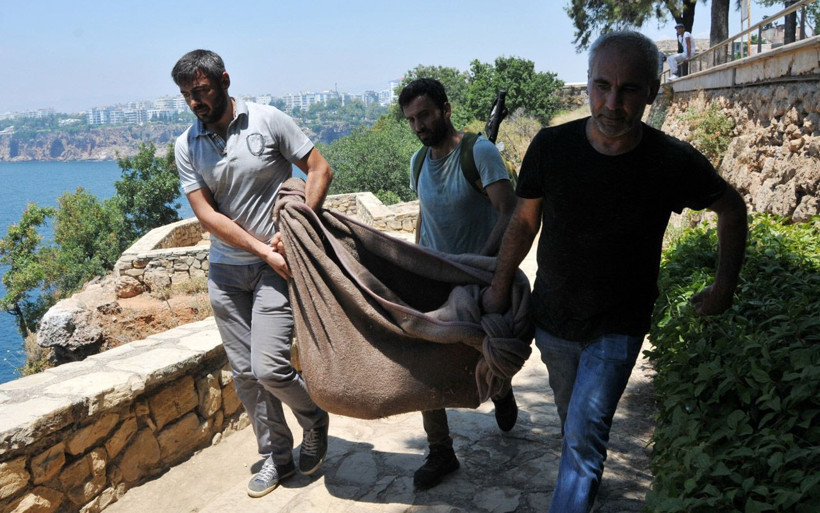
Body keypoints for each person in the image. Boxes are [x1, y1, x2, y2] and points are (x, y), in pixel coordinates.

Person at [481, 31, 747, 513]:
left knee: (583, 439)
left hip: (619, 326)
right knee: (574, 428)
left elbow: (732, 207)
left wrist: (724, 286)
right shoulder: (552, 146)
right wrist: (499, 286)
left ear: (652, 91)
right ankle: (581, 483)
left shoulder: (670, 161)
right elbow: (523, 222)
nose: (611, 103)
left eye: (628, 90)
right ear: (587, 83)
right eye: (601, 85)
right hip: (553, 320)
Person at [171, 49, 333, 498]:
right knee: (244, 374)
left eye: (201, 91)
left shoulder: (268, 120)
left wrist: (297, 226)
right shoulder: (187, 144)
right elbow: (206, 214)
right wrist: (264, 248)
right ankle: (276, 457)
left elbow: (320, 169)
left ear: (224, 80)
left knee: (270, 367)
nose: (195, 103)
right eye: (187, 95)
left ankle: (314, 418)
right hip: (227, 271)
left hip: (276, 269)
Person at [398, 78, 518, 490]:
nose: (418, 125)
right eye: (411, 119)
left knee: (480, 354)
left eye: (425, 115)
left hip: (476, 280)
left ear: (445, 110)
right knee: (426, 367)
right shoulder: (417, 162)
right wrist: (415, 263)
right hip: (433, 281)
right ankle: (441, 451)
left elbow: (509, 211)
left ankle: (501, 390)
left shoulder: (478, 153)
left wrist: (481, 266)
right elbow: (424, 216)